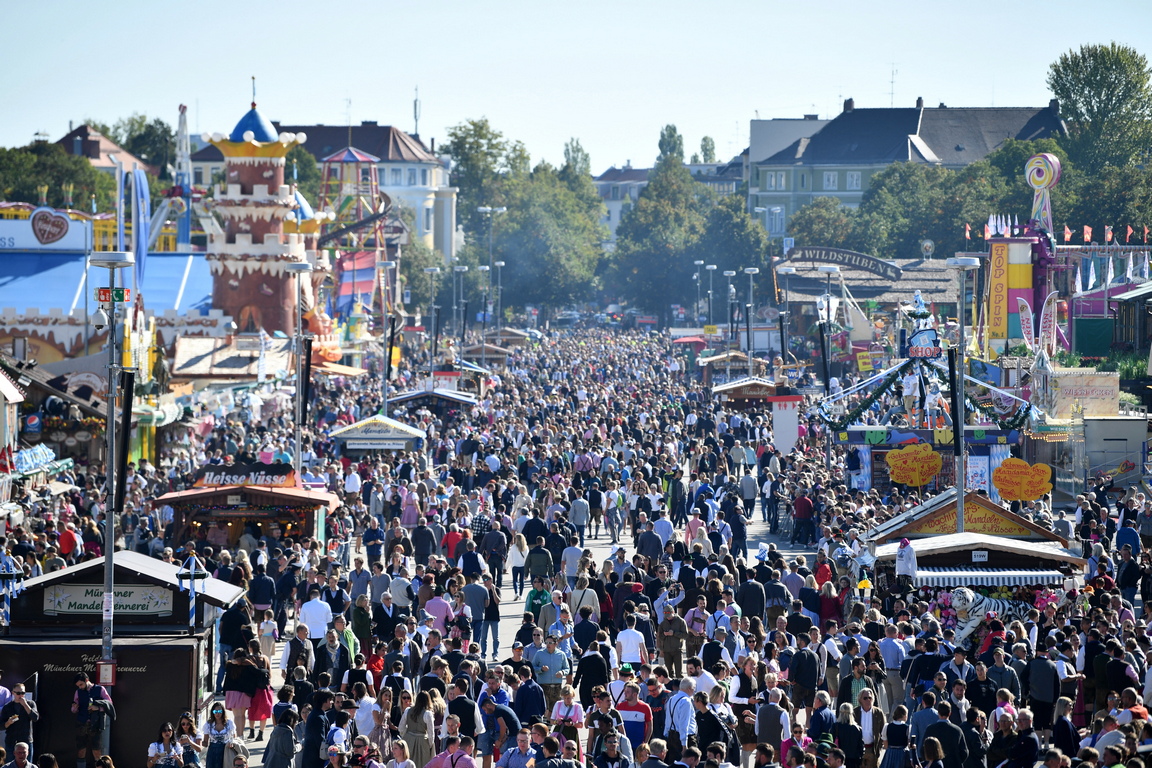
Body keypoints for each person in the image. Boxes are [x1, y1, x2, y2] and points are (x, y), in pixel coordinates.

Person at [72, 671, 113, 768]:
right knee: (81, 749)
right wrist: (75, 707)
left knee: (96, 750)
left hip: (96, 723)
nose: (80, 687)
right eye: (78, 685)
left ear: (87, 680)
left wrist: (98, 708)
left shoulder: (100, 689)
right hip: (82, 722)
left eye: (81, 684)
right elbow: (73, 709)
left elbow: (109, 703)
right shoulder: (78, 692)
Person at [398, 691, 436, 768]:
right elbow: (431, 734)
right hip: (422, 742)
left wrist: (406, 735)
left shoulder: (408, 710)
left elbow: (400, 728)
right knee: (422, 764)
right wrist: (430, 746)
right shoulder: (428, 714)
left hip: (408, 740)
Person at [1, 684, 37, 757]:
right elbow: (1, 726)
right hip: (11, 741)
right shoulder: (7, 707)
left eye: (23, 693)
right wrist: (8, 722)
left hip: (26, 740)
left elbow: (35, 718)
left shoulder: (30, 703)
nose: (20, 695)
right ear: (13, 693)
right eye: (18, 693)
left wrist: (25, 705)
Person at [201, 702, 238, 768]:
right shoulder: (208, 724)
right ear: (212, 712)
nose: (217, 713)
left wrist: (231, 742)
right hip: (212, 751)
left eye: (220, 711)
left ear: (223, 712)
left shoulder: (229, 722)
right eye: (215, 711)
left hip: (226, 750)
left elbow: (234, 737)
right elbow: (205, 742)